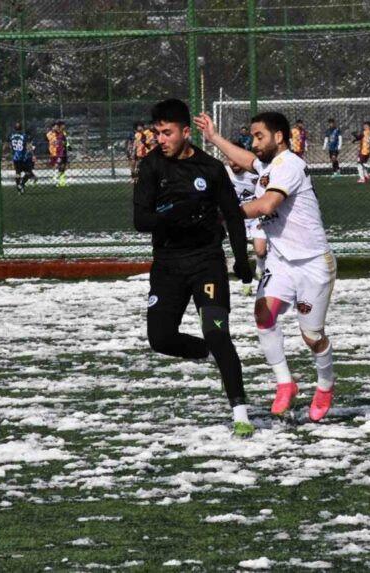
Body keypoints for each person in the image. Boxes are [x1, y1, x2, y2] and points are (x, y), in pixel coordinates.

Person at [196, 110, 338, 423]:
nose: (254, 142)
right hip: (281, 261)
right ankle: (285, 383)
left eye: (259, 136)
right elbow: (248, 161)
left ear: (279, 137)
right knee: (263, 314)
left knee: (312, 337)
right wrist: (215, 138)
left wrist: (223, 214)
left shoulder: (290, 165)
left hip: (313, 263)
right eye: (252, 136)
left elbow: (267, 205)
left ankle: (325, 385)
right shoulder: (269, 165)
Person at [133, 99, 255, 438]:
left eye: (167, 132)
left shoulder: (211, 170)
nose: (161, 139)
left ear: (186, 132)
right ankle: (206, 352)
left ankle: (241, 414)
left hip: (207, 265)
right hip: (168, 267)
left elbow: (232, 215)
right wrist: (172, 215)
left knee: (217, 332)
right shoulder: (151, 167)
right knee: (160, 339)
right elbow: (139, 220)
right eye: (157, 132)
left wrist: (241, 259)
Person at [226, 144, 267, 296]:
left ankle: (261, 268)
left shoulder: (257, 172)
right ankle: (246, 283)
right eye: (229, 160)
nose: (233, 163)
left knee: (260, 250)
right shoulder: (224, 173)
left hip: (256, 215)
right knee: (240, 253)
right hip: (237, 218)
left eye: (236, 160)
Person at [7, 122, 36, 194]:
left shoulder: (11, 136)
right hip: (23, 158)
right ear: (21, 128)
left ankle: (18, 188)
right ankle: (21, 184)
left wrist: (6, 153)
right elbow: (28, 146)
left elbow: (7, 145)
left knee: (18, 173)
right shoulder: (24, 136)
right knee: (28, 173)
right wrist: (33, 154)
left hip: (15, 157)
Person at [56, 122, 70, 187]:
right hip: (60, 152)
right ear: (60, 126)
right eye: (63, 125)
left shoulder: (63, 133)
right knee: (60, 166)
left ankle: (62, 181)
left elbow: (65, 141)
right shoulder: (58, 134)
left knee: (64, 166)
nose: (64, 126)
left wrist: (68, 146)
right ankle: (57, 179)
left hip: (64, 151)